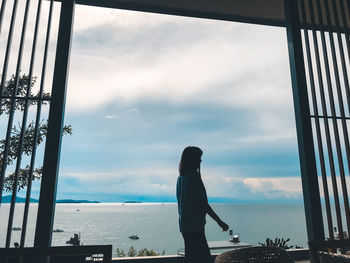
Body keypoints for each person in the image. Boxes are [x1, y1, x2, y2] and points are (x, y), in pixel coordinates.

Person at [176, 146, 229, 263]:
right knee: (203, 258)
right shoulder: (193, 178)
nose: (200, 161)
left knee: (191, 257)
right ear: (191, 159)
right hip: (195, 226)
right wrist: (219, 222)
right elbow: (203, 204)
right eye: (198, 158)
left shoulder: (181, 178)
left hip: (185, 226)